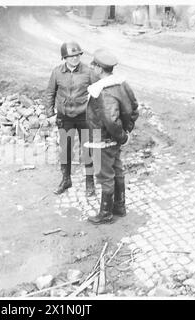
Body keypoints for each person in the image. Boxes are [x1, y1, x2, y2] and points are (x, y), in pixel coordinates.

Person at [86, 49, 139, 224]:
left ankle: (106, 214)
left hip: (102, 138)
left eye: (93, 65)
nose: (92, 67)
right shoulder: (122, 84)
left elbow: (110, 119)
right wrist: (126, 132)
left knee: (104, 175)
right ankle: (119, 206)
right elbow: (134, 107)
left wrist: (122, 136)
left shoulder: (103, 90)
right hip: (114, 139)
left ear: (100, 69)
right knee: (117, 170)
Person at [45, 41, 95, 197]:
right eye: (71, 56)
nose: (74, 59)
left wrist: (96, 114)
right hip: (64, 117)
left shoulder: (88, 72)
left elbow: (98, 93)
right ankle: (66, 180)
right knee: (65, 150)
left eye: (77, 55)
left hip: (84, 116)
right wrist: (50, 114)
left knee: (88, 149)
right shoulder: (57, 72)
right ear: (64, 58)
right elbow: (50, 93)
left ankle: (89, 182)